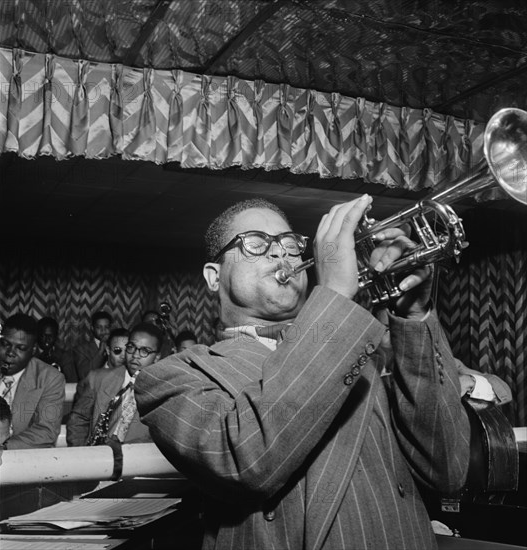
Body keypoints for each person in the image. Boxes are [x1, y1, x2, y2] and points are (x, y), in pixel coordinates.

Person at [135, 197, 470, 550]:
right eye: (254, 242)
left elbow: (447, 470)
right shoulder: (171, 376)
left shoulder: (361, 352)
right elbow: (246, 460)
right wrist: (335, 296)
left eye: (290, 244)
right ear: (213, 277)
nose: (280, 254)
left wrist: (414, 318)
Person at [66, 323, 163, 446]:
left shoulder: (164, 392)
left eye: (144, 350)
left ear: (157, 357)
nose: (135, 355)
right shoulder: (97, 379)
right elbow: (78, 420)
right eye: (131, 347)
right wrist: (84, 457)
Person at [0, 313, 65, 449]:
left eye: (20, 348)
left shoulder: (50, 378)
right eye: (5, 344)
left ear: (33, 350)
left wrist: (3, 447)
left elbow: (46, 432)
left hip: (22, 459)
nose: (10, 353)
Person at [71, 311, 112, 382]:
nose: (103, 331)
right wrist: (100, 352)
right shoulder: (81, 349)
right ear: (92, 328)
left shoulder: (116, 346)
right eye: (99, 327)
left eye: (106, 327)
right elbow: (84, 375)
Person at [36, 316, 75, 381]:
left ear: (56, 336)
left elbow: (72, 382)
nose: (47, 340)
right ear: (38, 335)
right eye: (44, 335)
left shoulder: (64, 356)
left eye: (50, 336)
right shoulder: (30, 355)